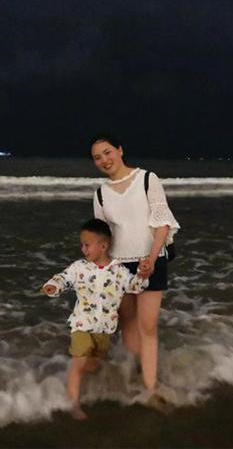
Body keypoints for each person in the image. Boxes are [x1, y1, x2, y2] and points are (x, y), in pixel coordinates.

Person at [90, 134, 179, 406]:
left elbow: (162, 223)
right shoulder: (100, 194)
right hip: (119, 266)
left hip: (151, 261)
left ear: (120, 150)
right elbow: (102, 238)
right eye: (97, 157)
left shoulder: (147, 179)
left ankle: (150, 389)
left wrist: (151, 259)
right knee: (127, 323)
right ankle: (141, 369)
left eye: (107, 152)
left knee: (147, 326)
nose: (104, 160)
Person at [42, 218, 148, 420]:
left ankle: (91, 385)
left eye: (87, 245)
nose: (83, 249)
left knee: (94, 364)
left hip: (105, 328)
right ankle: (73, 404)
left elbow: (134, 286)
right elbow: (63, 278)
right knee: (79, 362)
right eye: (81, 245)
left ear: (104, 246)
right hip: (82, 324)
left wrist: (143, 274)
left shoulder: (118, 271)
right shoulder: (79, 268)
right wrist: (53, 286)